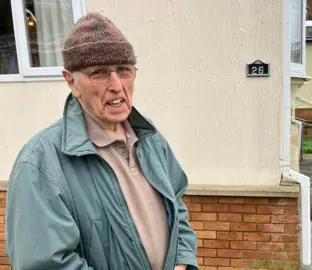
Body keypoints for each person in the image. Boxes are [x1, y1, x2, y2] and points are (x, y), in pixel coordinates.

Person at [6, 12, 197, 270]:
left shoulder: (151, 140)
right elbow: (44, 264)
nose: (117, 85)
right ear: (71, 81)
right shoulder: (40, 163)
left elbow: (178, 209)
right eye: (100, 73)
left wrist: (182, 262)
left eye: (124, 70)